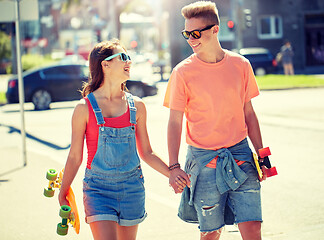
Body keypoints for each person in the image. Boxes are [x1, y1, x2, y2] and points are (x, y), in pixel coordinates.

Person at [58, 39, 186, 240]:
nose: (129, 62)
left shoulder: (138, 106)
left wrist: (172, 172)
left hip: (132, 188)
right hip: (97, 190)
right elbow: (75, 157)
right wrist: (63, 191)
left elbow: (146, 152)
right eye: (123, 57)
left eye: (129, 57)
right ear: (105, 65)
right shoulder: (83, 109)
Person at [164, 1, 267, 240]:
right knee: (211, 233)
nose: (191, 39)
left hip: (241, 155)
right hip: (203, 160)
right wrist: (173, 166)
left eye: (196, 33)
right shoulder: (182, 72)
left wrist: (262, 153)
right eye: (187, 33)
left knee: (253, 228)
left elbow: (249, 113)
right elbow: (175, 122)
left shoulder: (241, 65)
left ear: (215, 30)